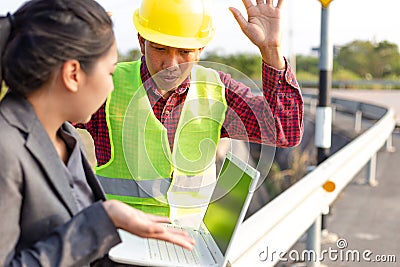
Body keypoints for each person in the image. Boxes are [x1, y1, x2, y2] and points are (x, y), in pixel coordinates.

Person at [0, 0, 195, 266]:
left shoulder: (64, 135)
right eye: (110, 72)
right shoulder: (6, 150)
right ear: (73, 74)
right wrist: (104, 219)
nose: (111, 87)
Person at [80, 0, 304, 221]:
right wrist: (67, 41)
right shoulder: (108, 84)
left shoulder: (218, 90)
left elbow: (284, 131)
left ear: (200, 50)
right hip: (119, 238)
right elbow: (46, 112)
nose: (171, 64)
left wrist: (271, 52)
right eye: (159, 49)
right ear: (142, 42)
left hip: (188, 242)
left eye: (185, 52)